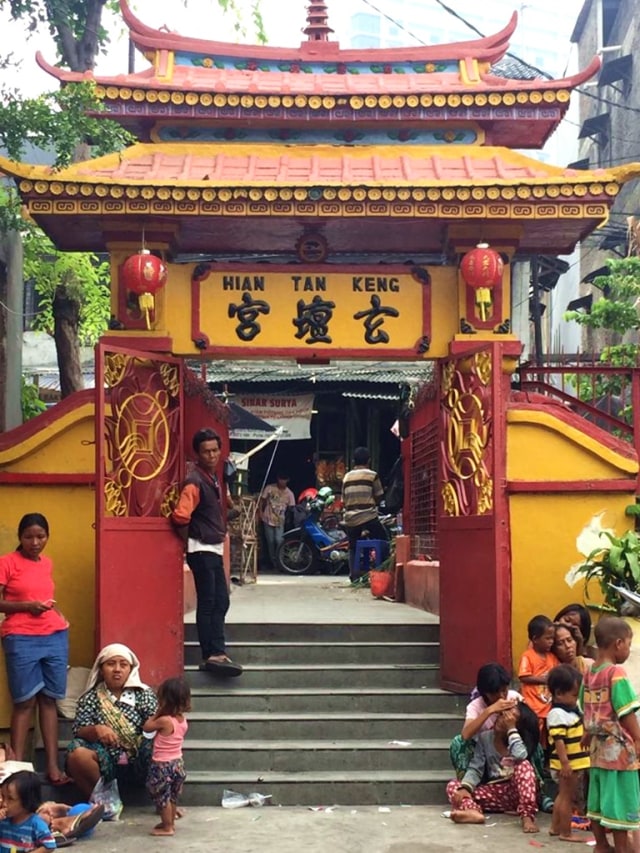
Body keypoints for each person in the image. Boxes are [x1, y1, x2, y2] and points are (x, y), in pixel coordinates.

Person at [0, 513, 70, 786]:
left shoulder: (46, 563)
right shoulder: (7, 562)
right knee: (24, 702)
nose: (35, 542)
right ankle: (17, 771)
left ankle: (52, 767)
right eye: (29, 536)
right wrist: (27, 607)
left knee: (49, 700)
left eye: (41, 536)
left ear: (47, 537)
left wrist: (61, 617)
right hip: (20, 637)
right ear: (20, 537)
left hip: (54, 635)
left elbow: (45, 598)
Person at [171, 428, 242, 677]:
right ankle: (211, 653)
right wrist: (189, 539)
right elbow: (180, 515)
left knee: (220, 600)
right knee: (210, 601)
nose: (211, 455)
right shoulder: (195, 481)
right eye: (206, 452)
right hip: (200, 548)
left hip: (212, 547)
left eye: (214, 450)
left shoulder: (213, 478)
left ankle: (217, 651)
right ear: (198, 454)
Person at [66, 643, 158, 799]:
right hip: (105, 762)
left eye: (123, 665)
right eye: (110, 664)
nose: (117, 669)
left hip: (139, 761)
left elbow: (157, 725)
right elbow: (79, 730)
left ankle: (164, 800)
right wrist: (97, 729)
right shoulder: (91, 698)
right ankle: (104, 802)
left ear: (131, 669)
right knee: (76, 752)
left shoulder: (144, 695)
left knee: (162, 743)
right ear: (101, 670)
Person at [581, 616, 640, 853]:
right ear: (618, 643)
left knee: (597, 799)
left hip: (597, 751)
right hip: (618, 753)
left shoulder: (589, 673)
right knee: (621, 801)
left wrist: (587, 733)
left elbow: (586, 708)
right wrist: (638, 737)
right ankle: (623, 848)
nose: (628, 649)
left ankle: (602, 845)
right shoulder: (616, 673)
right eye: (628, 643)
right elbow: (625, 711)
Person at [445, 701, 540, 834]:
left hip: (518, 792)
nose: (502, 720)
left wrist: (511, 729)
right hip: (495, 793)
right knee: (453, 786)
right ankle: (472, 811)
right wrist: (465, 788)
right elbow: (475, 768)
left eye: (509, 718)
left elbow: (521, 756)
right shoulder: (485, 738)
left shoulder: (518, 742)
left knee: (524, 765)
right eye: (501, 715)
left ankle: (527, 816)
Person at [449, 663, 521, 777]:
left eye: (504, 690)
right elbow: (465, 735)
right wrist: (489, 711)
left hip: (512, 752)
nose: (502, 696)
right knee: (457, 743)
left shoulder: (514, 697)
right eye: (495, 693)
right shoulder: (475, 706)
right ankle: (468, 784)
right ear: (485, 693)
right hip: (486, 757)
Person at [546, 664, 590, 842]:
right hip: (567, 763)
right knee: (566, 797)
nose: (575, 699)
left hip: (572, 762)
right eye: (573, 695)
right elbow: (559, 741)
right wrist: (565, 763)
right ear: (558, 694)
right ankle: (566, 832)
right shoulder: (557, 713)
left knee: (562, 794)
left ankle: (555, 827)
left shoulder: (571, 710)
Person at [143, 676, 191, 837]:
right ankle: (169, 821)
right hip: (178, 763)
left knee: (162, 797)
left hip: (162, 765)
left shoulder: (163, 720)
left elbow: (147, 727)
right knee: (172, 796)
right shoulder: (182, 720)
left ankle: (167, 827)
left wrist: (157, 713)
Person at [341, 447, 388, 583]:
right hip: (368, 516)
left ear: (353, 461)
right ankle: (382, 571)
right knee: (383, 540)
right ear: (369, 460)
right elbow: (379, 496)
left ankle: (354, 575)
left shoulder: (346, 477)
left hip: (350, 518)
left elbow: (344, 500)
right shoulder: (372, 475)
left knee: (353, 545)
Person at [518, 614, 559, 731]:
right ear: (535, 639)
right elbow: (523, 677)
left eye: (552, 638)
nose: (551, 642)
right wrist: (544, 680)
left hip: (547, 704)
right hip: (532, 705)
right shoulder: (528, 656)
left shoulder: (552, 657)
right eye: (548, 638)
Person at [0, 770, 56, 852]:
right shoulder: (3, 822)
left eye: (10, 799)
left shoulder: (35, 824)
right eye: (3, 797)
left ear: (27, 801)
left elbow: (49, 845)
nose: (4, 803)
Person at [259, 473, 295, 570]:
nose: (282, 482)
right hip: (267, 518)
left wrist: (287, 520)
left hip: (280, 521)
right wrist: (260, 513)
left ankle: (281, 562)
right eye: (281, 479)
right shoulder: (269, 488)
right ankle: (274, 562)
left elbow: (291, 509)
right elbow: (261, 500)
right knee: (270, 541)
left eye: (284, 480)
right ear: (278, 479)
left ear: (288, 480)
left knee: (279, 540)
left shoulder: (289, 494)